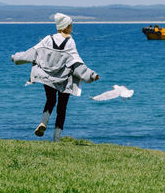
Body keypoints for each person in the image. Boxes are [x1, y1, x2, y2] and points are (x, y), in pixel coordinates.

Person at [11, 13, 99, 141]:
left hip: (47, 77)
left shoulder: (47, 39)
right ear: (66, 27)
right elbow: (76, 62)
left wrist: (16, 57)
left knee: (50, 100)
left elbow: (32, 53)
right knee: (62, 107)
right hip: (64, 80)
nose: (72, 27)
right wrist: (91, 75)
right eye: (71, 25)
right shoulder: (70, 42)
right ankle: (56, 138)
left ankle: (43, 122)